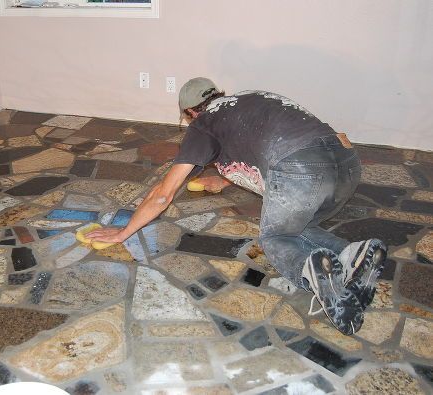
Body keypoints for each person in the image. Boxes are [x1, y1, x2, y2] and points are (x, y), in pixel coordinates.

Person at [87, 77, 387, 335]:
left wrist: (122, 232)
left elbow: (163, 195)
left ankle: (316, 276)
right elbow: (260, 143)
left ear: (191, 112)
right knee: (298, 224)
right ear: (218, 94)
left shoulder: (204, 125)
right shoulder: (250, 98)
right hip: (345, 167)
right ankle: (352, 254)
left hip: (301, 170)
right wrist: (225, 180)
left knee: (276, 237)